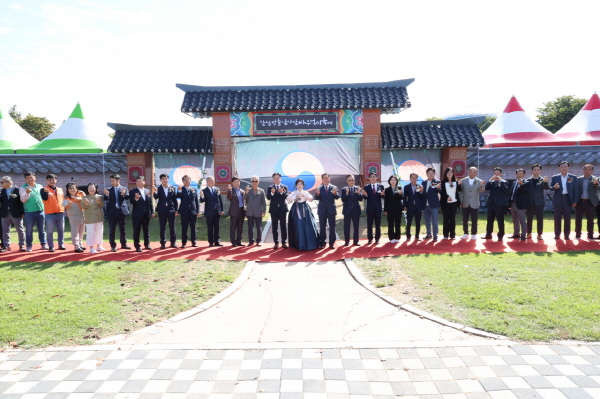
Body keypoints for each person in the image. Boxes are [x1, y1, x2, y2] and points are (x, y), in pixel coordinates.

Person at [286, 178, 320, 250]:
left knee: (307, 225)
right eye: (298, 184)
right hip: (296, 209)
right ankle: (298, 244)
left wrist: (305, 196)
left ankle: (309, 243)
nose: (299, 185)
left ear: (303, 185)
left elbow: (311, 199)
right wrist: (294, 197)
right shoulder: (294, 192)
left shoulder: (305, 192)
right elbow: (288, 199)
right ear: (296, 185)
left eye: (301, 184)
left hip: (305, 209)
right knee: (297, 225)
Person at [19, 171, 47, 252]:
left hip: (40, 211)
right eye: (28, 178)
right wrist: (27, 193)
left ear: (35, 177)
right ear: (25, 179)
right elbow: (23, 200)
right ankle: (29, 246)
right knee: (29, 230)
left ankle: (43, 244)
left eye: (31, 177)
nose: (30, 179)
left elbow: (43, 197)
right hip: (29, 212)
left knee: (42, 229)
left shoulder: (40, 186)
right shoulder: (23, 187)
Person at [550, 161, 577, 240]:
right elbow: (551, 188)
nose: (563, 168)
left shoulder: (573, 177)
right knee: (557, 217)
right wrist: (555, 187)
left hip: (568, 199)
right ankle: (557, 234)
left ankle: (567, 235)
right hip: (558, 199)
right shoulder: (555, 177)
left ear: (568, 167)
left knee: (567, 217)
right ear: (559, 168)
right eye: (562, 167)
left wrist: (574, 201)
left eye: (565, 166)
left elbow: (575, 190)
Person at [103, 174, 130, 252]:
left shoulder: (124, 188)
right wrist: (107, 194)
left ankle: (124, 244)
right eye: (111, 180)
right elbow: (105, 199)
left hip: (121, 211)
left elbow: (127, 197)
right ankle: (113, 245)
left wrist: (123, 194)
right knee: (112, 229)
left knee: (123, 228)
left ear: (118, 180)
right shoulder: (108, 190)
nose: (112, 182)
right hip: (112, 212)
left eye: (113, 180)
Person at [457, 167, 485, 240]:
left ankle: (473, 233)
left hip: (474, 203)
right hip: (465, 202)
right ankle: (465, 233)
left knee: (474, 219)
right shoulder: (463, 180)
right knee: (465, 219)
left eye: (474, 172)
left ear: (476, 173)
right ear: (468, 172)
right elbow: (460, 191)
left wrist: (482, 185)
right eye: (471, 172)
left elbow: (481, 190)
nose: (473, 173)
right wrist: (460, 201)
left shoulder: (479, 181)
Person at [40, 174, 66, 252]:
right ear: (46, 181)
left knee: (61, 230)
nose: (52, 181)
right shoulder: (44, 189)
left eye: (53, 179)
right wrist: (46, 193)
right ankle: (51, 246)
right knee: (50, 231)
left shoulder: (60, 189)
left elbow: (63, 200)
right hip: (49, 213)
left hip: (60, 213)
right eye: (50, 180)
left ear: (56, 180)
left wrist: (65, 208)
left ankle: (61, 244)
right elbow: (44, 198)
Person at [482, 167, 509, 241]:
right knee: (490, 220)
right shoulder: (491, 182)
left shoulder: (505, 182)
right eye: (495, 173)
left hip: (499, 204)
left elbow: (506, 190)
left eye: (498, 173)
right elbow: (486, 188)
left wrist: (501, 181)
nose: (496, 175)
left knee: (500, 220)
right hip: (491, 203)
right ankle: (488, 234)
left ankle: (500, 235)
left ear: (501, 174)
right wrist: (490, 179)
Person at [130, 176, 155, 252]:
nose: (139, 183)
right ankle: (137, 246)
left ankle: (147, 244)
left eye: (141, 181)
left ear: (144, 182)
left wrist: (152, 212)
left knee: (146, 230)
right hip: (137, 215)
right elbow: (132, 202)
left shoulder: (147, 191)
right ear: (136, 183)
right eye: (137, 181)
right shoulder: (132, 191)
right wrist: (136, 198)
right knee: (137, 230)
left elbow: (150, 203)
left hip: (146, 214)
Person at [0, 176, 25, 252]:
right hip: (4, 213)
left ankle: (22, 245)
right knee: (5, 230)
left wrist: (22, 212)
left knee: (20, 230)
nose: (1, 184)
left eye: (2, 182)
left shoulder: (17, 190)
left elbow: (21, 202)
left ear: (8, 182)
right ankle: (6, 246)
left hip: (16, 213)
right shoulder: (2, 191)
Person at [153, 174, 178, 249]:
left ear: (168, 179)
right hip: (162, 210)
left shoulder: (172, 188)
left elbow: (175, 200)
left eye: (166, 178)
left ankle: (173, 242)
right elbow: (156, 197)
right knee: (162, 227)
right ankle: (163, 243)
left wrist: (176, 210)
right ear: (160, 180)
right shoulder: (158, 188)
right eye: (163, 179)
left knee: (172, 227)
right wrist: (155, 191)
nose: (165, 180)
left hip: (171, 210)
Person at [574, 164, 599, 240]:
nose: (587, 171)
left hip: (590, 202)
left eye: (589, 170)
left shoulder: (596, 179)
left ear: (592, 171)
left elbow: (598, 188)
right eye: (586, 169)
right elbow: (576, 191)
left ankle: (590, 235)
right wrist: (575, 201)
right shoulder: (578, 179)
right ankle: (578, 234)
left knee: (590, 219)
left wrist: (595, 184)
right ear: (583, 170)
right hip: (580, 202)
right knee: (578, 219)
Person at [315, 173, 339, 249]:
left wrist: (335, 193)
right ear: (322, 180)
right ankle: (322, 242)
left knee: (332, 227)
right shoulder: (319, 188)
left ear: (329, 179)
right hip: (322, 210)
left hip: (331, 210)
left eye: (327, 178)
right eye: (324, 178)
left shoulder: (333, 187)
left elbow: (337, 197)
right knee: (322, 227)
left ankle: (332, 243)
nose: (326, 179)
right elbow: (316, 198)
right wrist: (317, 194)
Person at [525, 164, 549, 240]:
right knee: (529, 219)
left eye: (538, 170)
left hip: (540, 202)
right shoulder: (528, 180)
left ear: (540, 171)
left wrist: (545, 182)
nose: (536, 171)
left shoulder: (543, 180)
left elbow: (547, 188)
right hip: (530, 202)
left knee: (540, 219)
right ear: (532, 171)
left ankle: (539, 234)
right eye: (534, 170)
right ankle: (528, 233)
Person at [81, 183, 106, 254]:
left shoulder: (100, 196)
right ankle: (91, 247)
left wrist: (98, 202)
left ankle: (99, 246)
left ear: (96, 189)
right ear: (87, 190)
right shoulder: (85, 197)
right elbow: (83, 207)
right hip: (89, 218)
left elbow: (102, 205)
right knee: (90, 233)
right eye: (90, 188)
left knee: (99, 232)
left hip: (99, 217)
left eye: (93, 188)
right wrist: (86, 203)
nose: (91, 189)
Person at [200, 176, 224, 247]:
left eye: (212, 181)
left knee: (217, 227)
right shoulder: (204, 191)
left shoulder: (217, 189)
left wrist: (221, 210)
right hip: (209, 212)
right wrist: (201, 196)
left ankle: (217, 241)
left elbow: (220, 201)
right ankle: (211, 242)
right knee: (210, 227)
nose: (211, 182)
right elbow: (202, 200)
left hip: (217, 211)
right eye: (209, 181)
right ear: (207, 182)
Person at [267, 173, 289, 249]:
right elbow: (268, 197)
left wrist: (281, 192)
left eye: (278, 178)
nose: (276, 179)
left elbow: (286, 196)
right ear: (273, 179)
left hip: (282, 209)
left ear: (280, 179)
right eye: (275, 178)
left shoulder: (284, 187)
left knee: (283, 227)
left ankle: (284, 242)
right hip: (274, 210)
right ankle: (276, 243)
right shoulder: (270, 187)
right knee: (274, 227)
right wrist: (272, 193)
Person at [177, 175, 199, 248]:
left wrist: (197, 211)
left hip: (193, 211)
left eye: (188, 180)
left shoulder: (194, 189)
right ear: (183, 181)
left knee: (193, 227)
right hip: (184, 211)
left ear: (190, 181)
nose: (187, 181)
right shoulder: (181, 189)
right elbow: (179, 196)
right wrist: (179, 190)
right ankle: (184, 243)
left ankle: (194, 242)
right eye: (185, 180)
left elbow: (196, 201)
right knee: (184, 227)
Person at [63, 182, 86, 253]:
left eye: (73, 187)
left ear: (76, 188)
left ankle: (80, 244)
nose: (72, 189)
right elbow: (65, 207)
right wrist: (69, 203)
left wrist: (80, 199)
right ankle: (76, 246)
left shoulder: (81, 194)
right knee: (75, 232)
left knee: (81, 231)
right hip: (73, 216)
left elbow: (86, 202)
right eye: (70, 188)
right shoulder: (66, 197)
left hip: (82, 214)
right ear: (67, 189)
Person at [362, 172, 385, 245]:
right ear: (369, 178)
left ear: (376, 177)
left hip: (378, 209)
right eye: (371, 177)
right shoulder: (366, 187)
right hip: (370, 209)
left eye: (374, 176)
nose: (372, 178)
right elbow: (365, 197)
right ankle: (370, 238)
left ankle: (377, 239)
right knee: (369, 224)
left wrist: (383, 195)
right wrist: (365, 195)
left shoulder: (381, 186)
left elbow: (383, 197)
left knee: (378, 224)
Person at [244, 175, 266, 246]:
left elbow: (263, 202)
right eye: (253, 181)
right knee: (250, 227)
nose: (254, 182)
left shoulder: (261, 191)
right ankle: (251, 241)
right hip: (250, 212)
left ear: (258, 182)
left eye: (256, 181)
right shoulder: (248, 190)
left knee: (259, 227)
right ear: (251, 182)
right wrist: (246, 192)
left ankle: (258, 241)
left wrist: (264, 211)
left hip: (258, 212)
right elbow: (245, 198)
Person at [341, 174, 363, 246]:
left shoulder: (357, 188)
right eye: (350, 180)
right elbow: (343, 199)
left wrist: (359, 193)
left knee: (356, 226)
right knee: (347, 226)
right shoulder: (344, 189)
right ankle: (347, 241)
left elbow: (361, 199)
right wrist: (346, 193)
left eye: (353, 180)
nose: (351, 181)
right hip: (347, 211)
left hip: (356, 210)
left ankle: (356, 241)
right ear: (347, 181)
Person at [507, 169, 529, 241]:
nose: (519, 175)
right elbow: (511, 193)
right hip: (513, 203)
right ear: (516, 175)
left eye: (521, 174)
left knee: (522, 220)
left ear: (524, 175)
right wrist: (509, 204)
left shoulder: (526, 183)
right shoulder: (514, 182)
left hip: (520, 204)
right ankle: (516, 233)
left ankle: (523, 235)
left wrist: (521, 184)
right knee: (514, 219)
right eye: (518, 174)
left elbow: (526, 192)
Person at [403, 173, 424, 241]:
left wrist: (421, 192)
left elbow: (422, 197)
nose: (414, 179)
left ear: (417, 179)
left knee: (418, 222)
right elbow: (405, 197)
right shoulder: (406, 187)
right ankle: (408, 236)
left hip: (418, 207)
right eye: (412, 177)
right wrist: (405, 206)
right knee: (409, 222)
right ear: (410, 178)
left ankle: (417, 236)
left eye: (415, 178)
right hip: (410, 207)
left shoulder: (419, 186)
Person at [422, 168, 441, 241]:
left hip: (434, 205)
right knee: (427, 221)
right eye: (429, 173)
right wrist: (420, 192)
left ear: (434, 174)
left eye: (432, 173)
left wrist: (438, 188)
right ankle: (428, 234)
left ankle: (435, 235)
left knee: (434, 221)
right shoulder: (423, 182)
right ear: (426, 174)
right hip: (425, 205)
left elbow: (441, 191)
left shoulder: (437, 182)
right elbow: (422, 193)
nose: (430, 174)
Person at [440, 167, 459, 240]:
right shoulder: (442, 182)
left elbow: (459, 190)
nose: (450, 174)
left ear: (453, 174)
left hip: (454, 203)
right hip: (445, 203)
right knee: (446, 219)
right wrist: (447, 196)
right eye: (448, 173)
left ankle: (452, 235)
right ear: (445, 174)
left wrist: (459, 184)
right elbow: (441, 191)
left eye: (451, 172)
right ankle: (445, 235)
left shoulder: (456, 182)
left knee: (453, 219)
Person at [383, 175, 403, 243]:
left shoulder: (399, 188)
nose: (393, 181)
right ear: (389, 181)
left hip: (398, 209)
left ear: (396, 181)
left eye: (394, 180)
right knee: (390, 224)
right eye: (392, 180)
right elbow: (386, 200)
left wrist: (400, 194)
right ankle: (391, 238)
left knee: (398, 223)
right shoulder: (387, 190)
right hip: (390, 209)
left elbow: (401, 199)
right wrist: (385, 209)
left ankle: (397, 237)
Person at [227, 177, 246, 247]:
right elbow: (229, 198)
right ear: (232, 183)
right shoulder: (231, 190)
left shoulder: (241, 191)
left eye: (238, 181)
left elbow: (244, 200)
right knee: (233, 227)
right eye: (235, 182)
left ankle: (239, 241)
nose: (237, 183)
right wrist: (230, 191)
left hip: (241, 211)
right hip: (234, 212)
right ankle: (233, 241)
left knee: (240, 227)